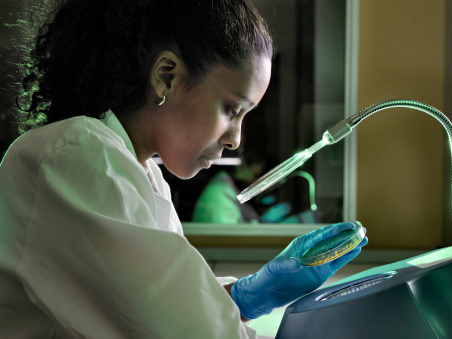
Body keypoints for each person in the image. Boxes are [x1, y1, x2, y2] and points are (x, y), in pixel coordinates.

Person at [0, 0, 367, 337]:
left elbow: (167, 304)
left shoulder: (145, 176)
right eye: (231, 110)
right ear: (166, 76)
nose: (235, 140)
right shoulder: (72, 158)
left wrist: (248, 293)